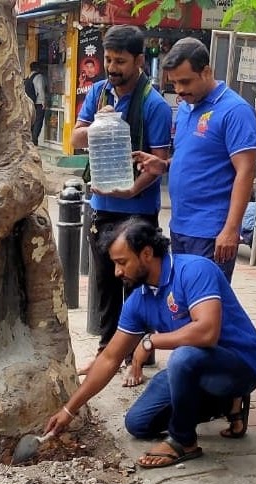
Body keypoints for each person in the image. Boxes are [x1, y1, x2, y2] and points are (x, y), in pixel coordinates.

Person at [44, 219, 256, 468]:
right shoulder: (138, 300)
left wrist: (151, 340)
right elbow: (110, 358)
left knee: (183, 357)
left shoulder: (194, 270)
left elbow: (207, 333)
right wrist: (68, 410)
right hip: (196, 368)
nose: (118, 272)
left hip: (240, 363)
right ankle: (228, 402)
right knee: (138, 423)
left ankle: (183, 441)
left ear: (147, 254)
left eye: (122, 262)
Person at [73, 25, 173, 377]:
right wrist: (99, 125)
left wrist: (133, 190)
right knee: (105, 285)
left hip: (138, 213)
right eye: (108, 59)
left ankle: (138, 357)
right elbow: (75, 137)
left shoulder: (154, 104)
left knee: (140, 287)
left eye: (120, 61)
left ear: (140, 61)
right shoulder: (99, 93)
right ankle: (106, 352)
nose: (112, 67)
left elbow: (159, 161)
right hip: (103, 209)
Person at [134, 37, 256, 282]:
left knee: (206, 306)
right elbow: (191, 157)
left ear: (207, 72)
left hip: (211, 231)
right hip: (180, 227)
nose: (179, 90)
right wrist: (164, 165)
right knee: (182, 301)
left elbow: (246, 172)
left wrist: (231, 230)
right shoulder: (185, 108)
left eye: (185, 81)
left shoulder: (235, 111)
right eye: (174, 83)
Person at [27, 62, 47, 145]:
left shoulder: (28, 77)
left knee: (31, 122)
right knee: (38, 122)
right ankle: (34, 141)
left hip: (29, 103)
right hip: (38, 103)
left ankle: (30, 140)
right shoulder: (39, 77)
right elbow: (40, 90)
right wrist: (43, 102)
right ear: (38, 68)